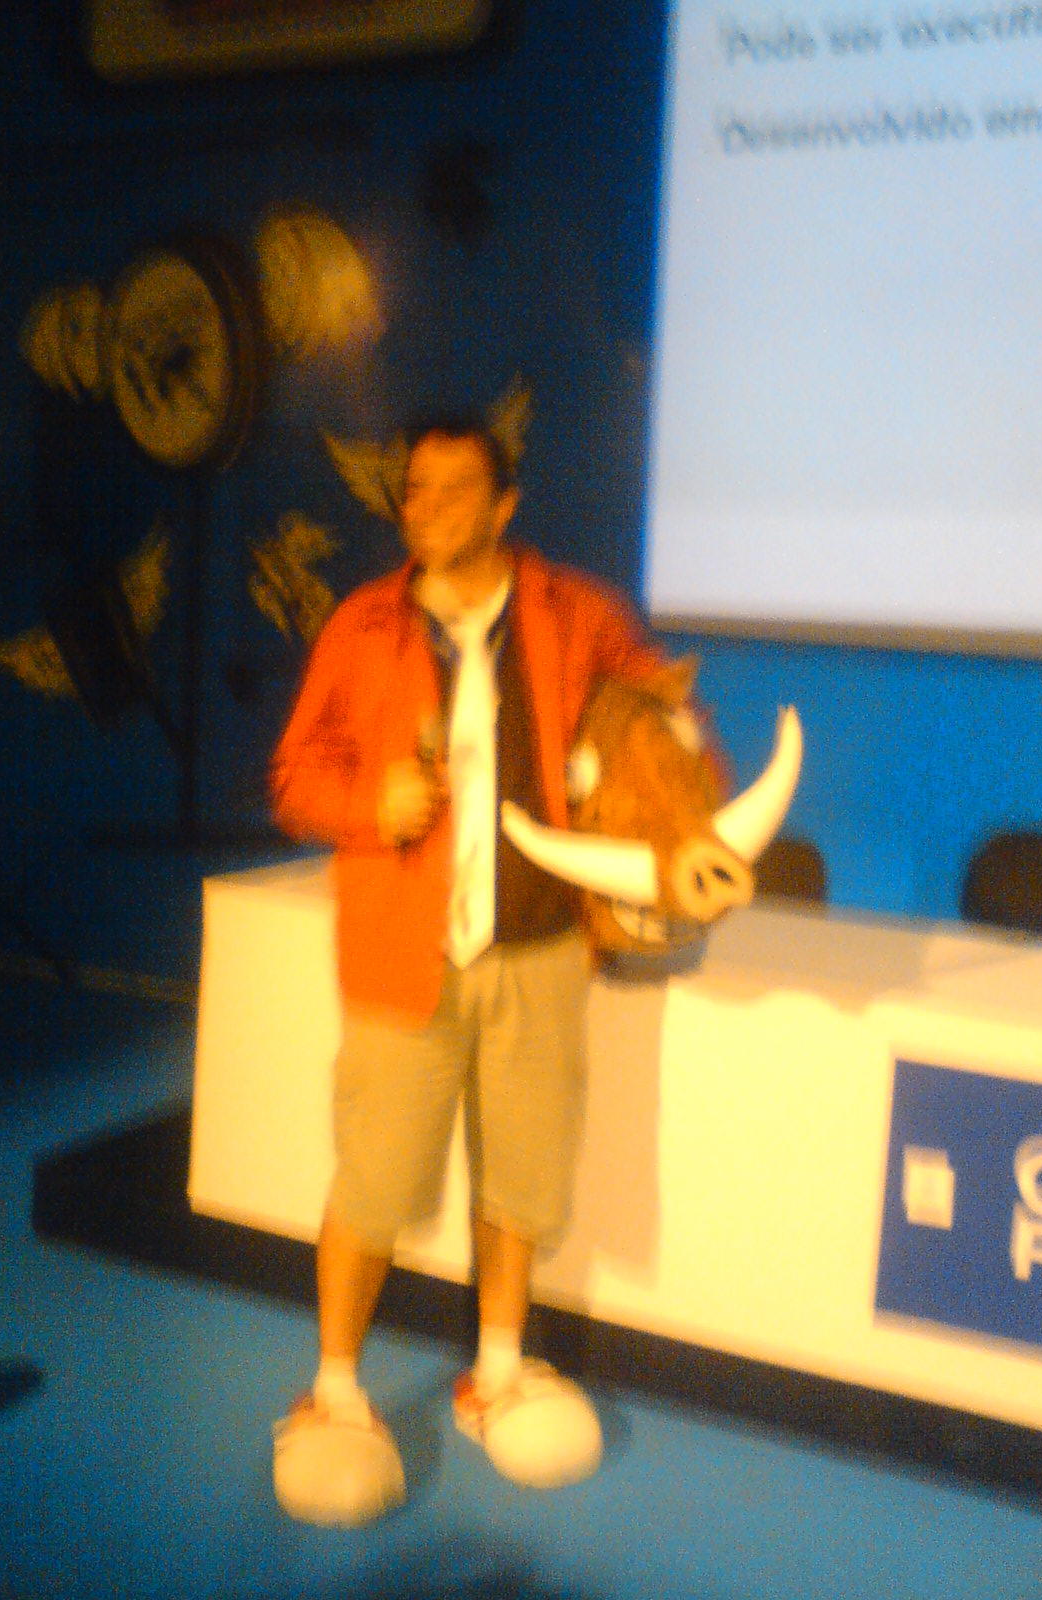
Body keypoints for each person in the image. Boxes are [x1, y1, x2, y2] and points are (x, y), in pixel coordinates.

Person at [268, 412, 700, 1524]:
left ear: (505, 505)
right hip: (404, 952)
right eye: (413, 488)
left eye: (453, 488)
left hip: (541, 945)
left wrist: (670, 801)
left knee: (523, 1171)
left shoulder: (577, 613)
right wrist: (368, 801)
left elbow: (659, 717)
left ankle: (497, 1370)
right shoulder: (363, 625)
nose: (425, 507)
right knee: (374, 1179)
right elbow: (296, 774)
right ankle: (334, 1390)